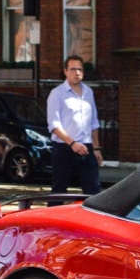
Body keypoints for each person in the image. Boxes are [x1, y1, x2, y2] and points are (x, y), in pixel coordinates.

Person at [46, 55, 102, 195]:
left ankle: (90, 217)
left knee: (93, 190)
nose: (76, 73)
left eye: (79, 69)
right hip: (64, 148)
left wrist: (96, 148)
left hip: (86, 148)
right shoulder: (57, 93)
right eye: (72, 69)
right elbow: (54, 124)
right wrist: (72, 144)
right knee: (59, 190)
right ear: (65, 71)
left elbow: (93, 122)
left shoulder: (89, 92)